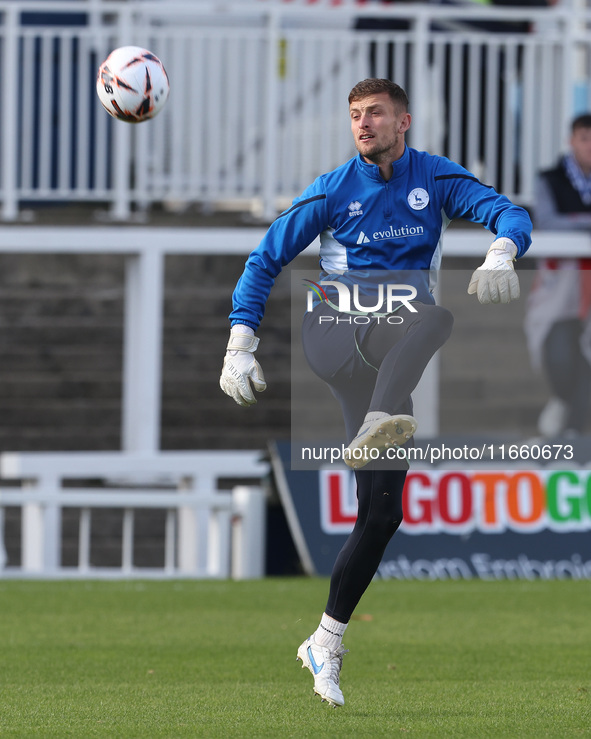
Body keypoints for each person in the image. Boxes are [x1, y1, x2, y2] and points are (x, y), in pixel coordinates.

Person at [220, 78, 532, 707]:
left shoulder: (434, 178)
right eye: (355, 115)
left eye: (375, 114)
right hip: (334, 329)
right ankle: (381, 418)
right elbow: (265, 259)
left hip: (390, 353)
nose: (363, 124)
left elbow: (508, 210)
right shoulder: (333, 188)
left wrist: (504, 248)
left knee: (383, 514)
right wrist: (239, 342)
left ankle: (325, 641)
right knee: (435, 317)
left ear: (404, 121)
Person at [525, 113, 591, 438]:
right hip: (562, 284)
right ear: (572, 140)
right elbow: (548, 222)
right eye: (584, 138)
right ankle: (564, 405)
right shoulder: (549, 179)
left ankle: (573, 430)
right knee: (560, 353)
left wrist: (576, 221)